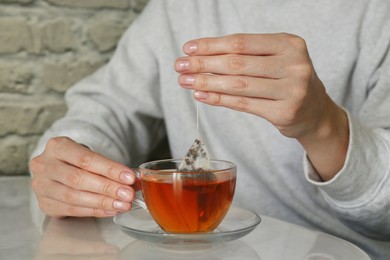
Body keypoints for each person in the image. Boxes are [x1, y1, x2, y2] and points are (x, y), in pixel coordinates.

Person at [29, 0, 390, 258]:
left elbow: (384, 220)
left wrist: (324, 125)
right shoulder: (176, 9)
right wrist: (73, 168)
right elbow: (105, 109)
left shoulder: (377, 14)